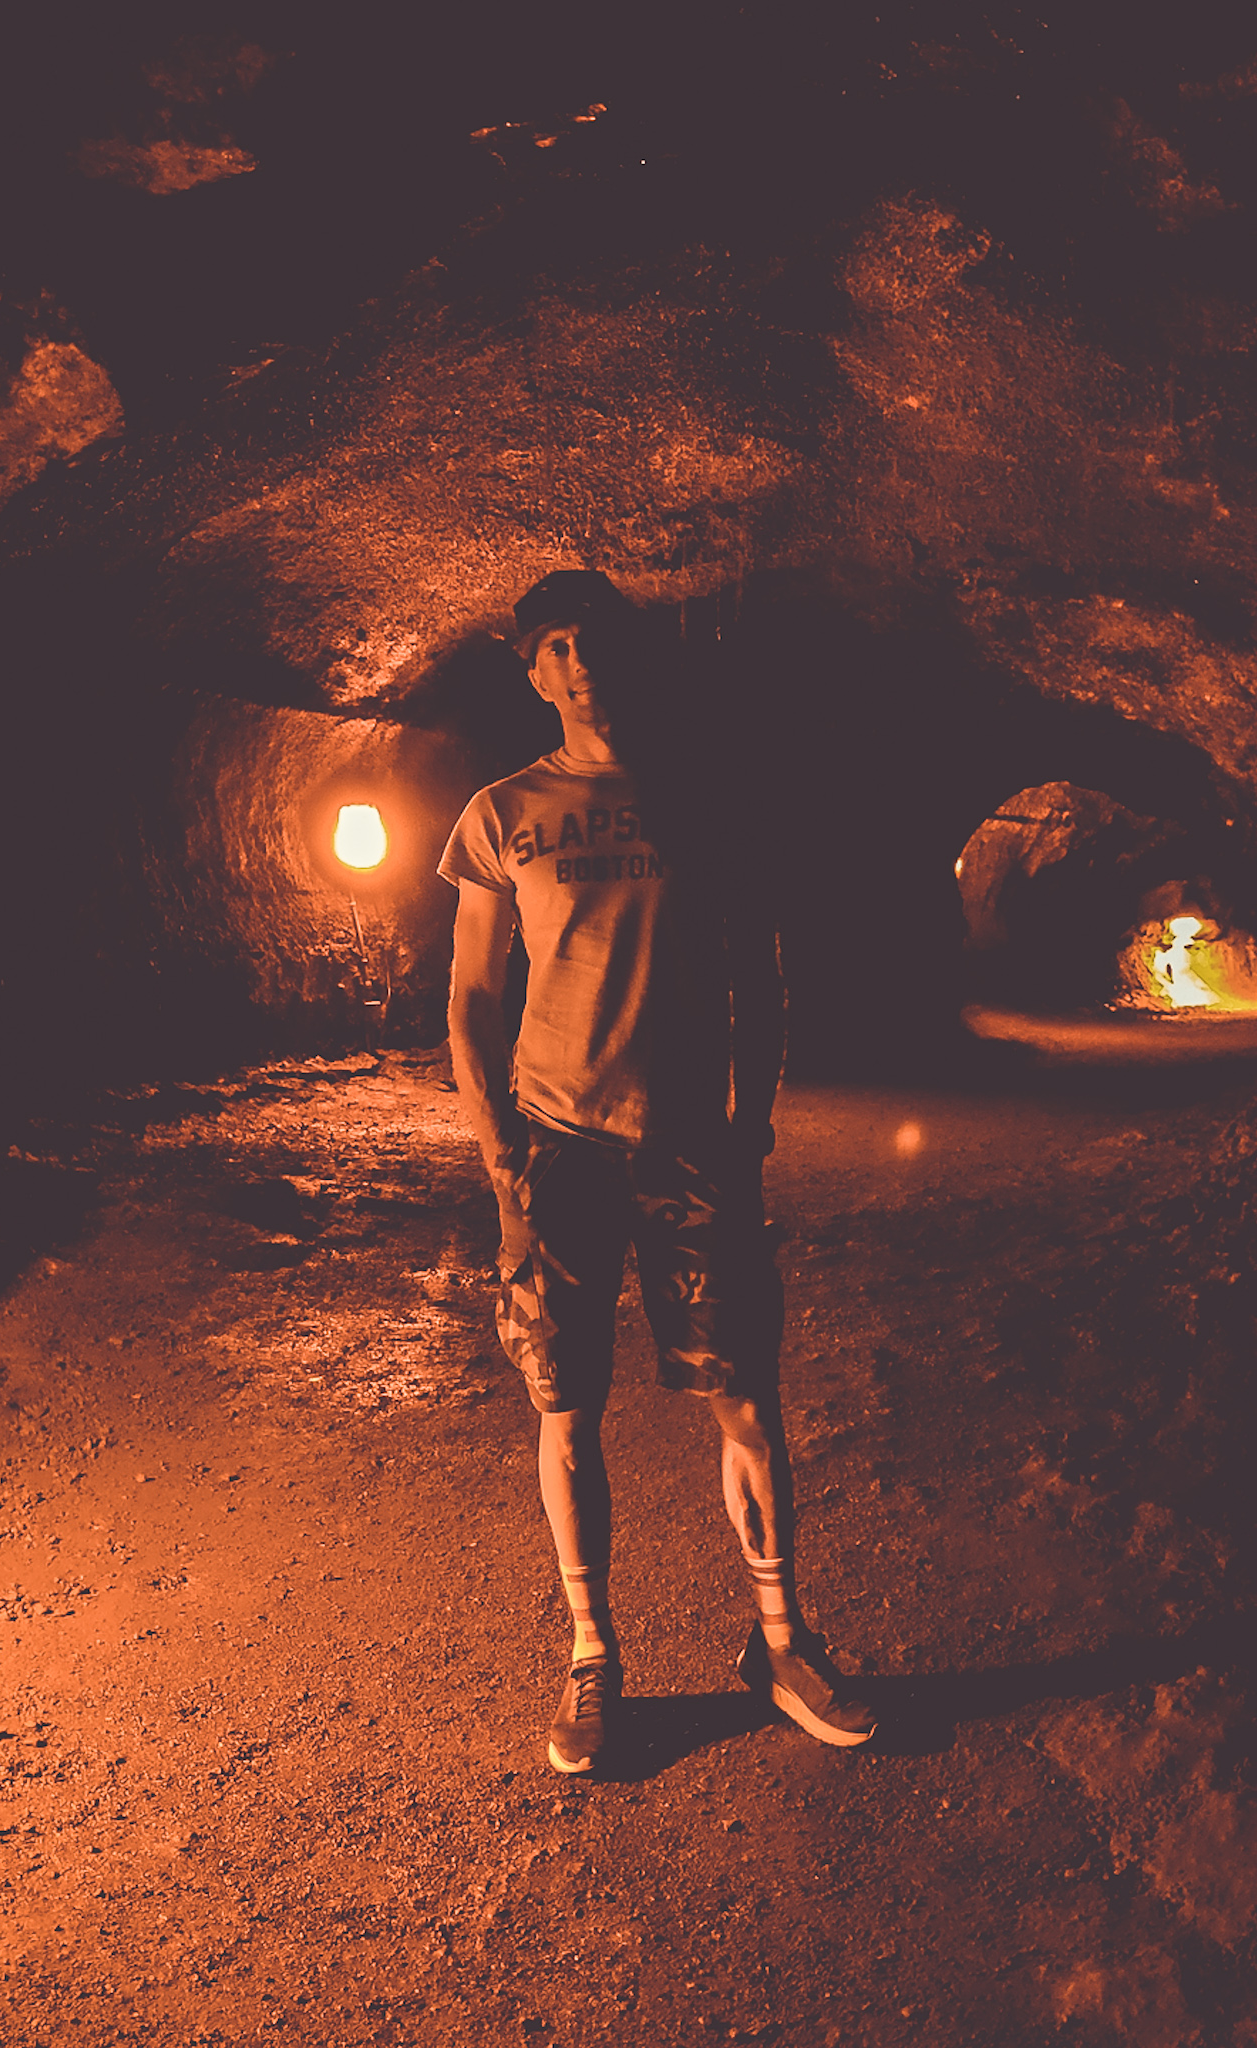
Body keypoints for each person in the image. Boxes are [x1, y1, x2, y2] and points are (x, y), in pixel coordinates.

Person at [441, 568, 875, 1773]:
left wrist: (750, 1126)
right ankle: (592, 1655)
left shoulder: (706, 805)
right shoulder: (501, 813)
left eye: (596, 639)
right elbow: (471, 999)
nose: (581, 661)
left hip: (688, 1143)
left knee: (745, 1396)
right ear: (532, 671)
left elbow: (758, 977)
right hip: (558, 1144)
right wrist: (501, 1165)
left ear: (630, 654)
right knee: (564, 1403)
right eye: (556, 645)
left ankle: (780, 1640)